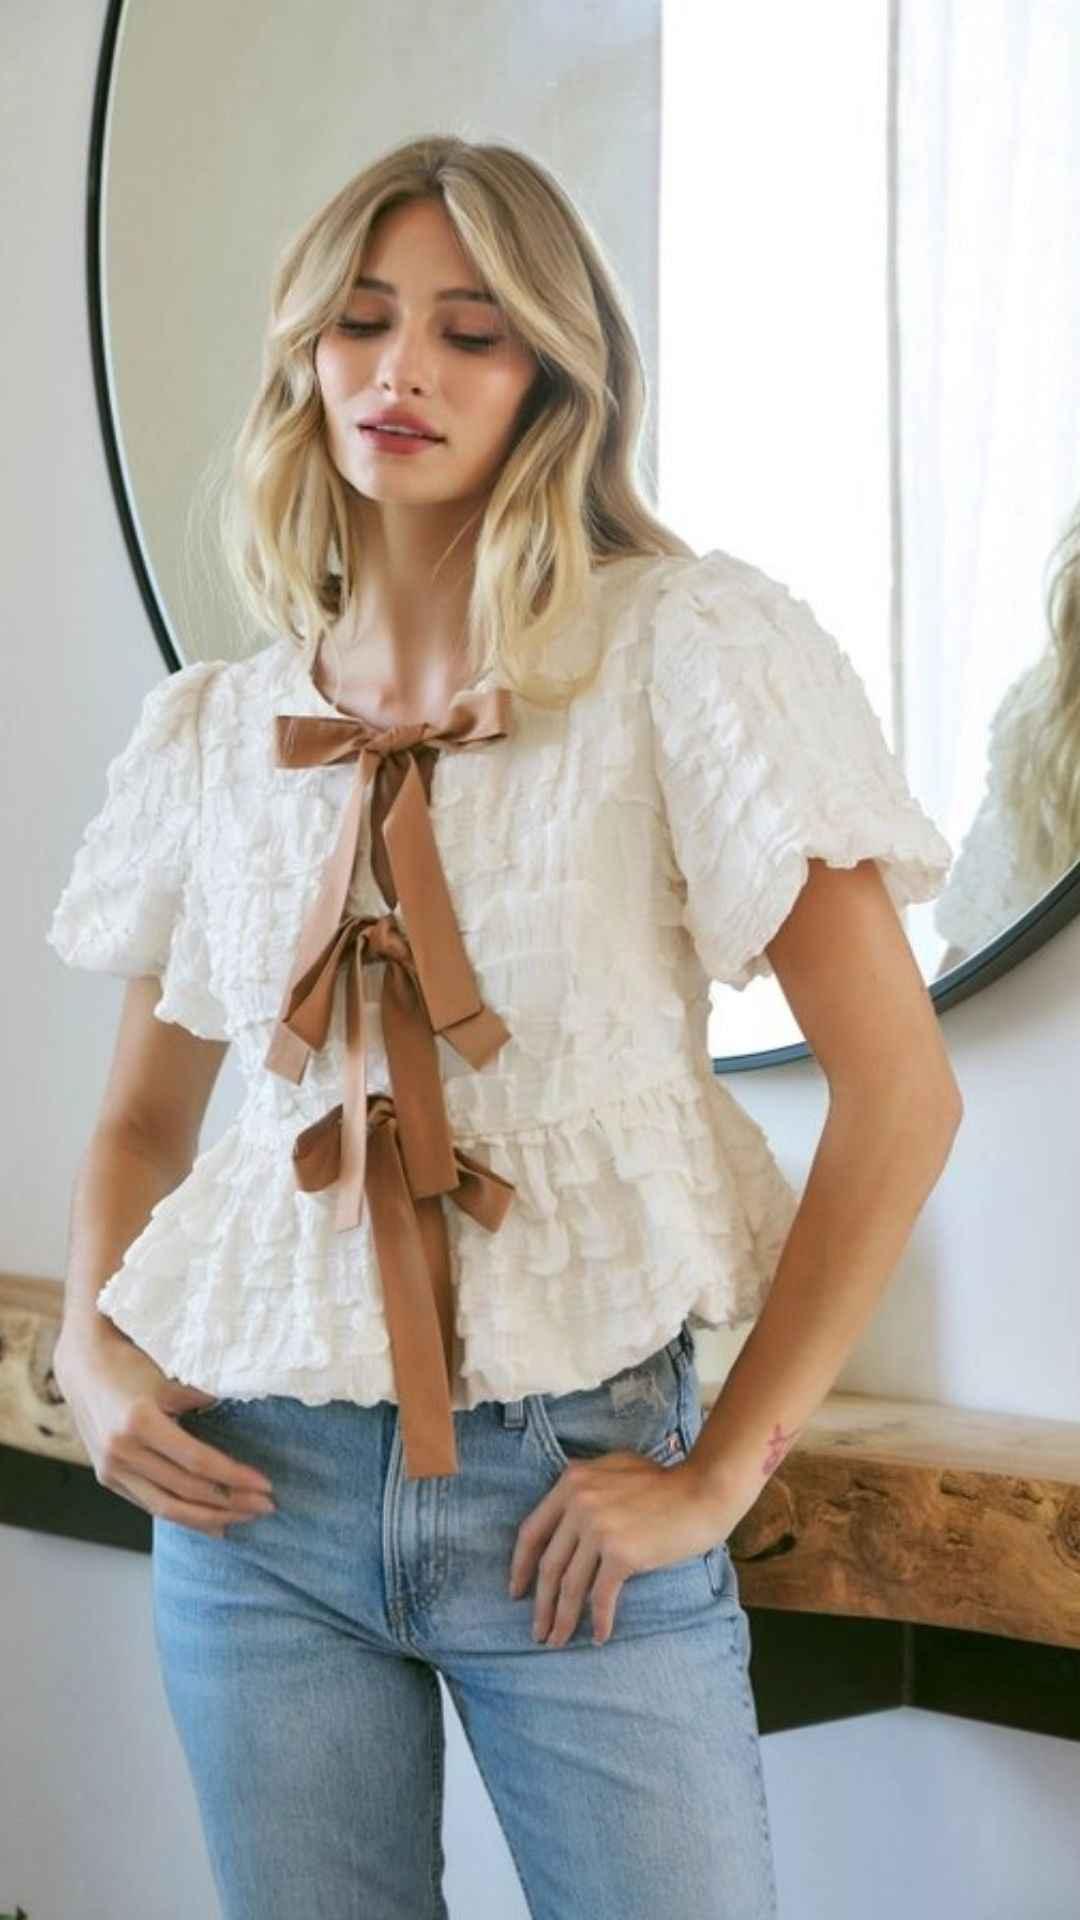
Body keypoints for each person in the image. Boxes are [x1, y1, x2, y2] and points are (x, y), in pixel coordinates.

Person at [47, 134, 962, 1919]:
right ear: (305, 352)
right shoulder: (223, 728)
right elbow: (143, 1129)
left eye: (472, 331)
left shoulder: (686, 650)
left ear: (555, 370)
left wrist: (713, 1476)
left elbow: (903, 1094)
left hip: (573, 1491)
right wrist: (90, 1360)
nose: (403, 371)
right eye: (365, 320)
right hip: (249, 1495)